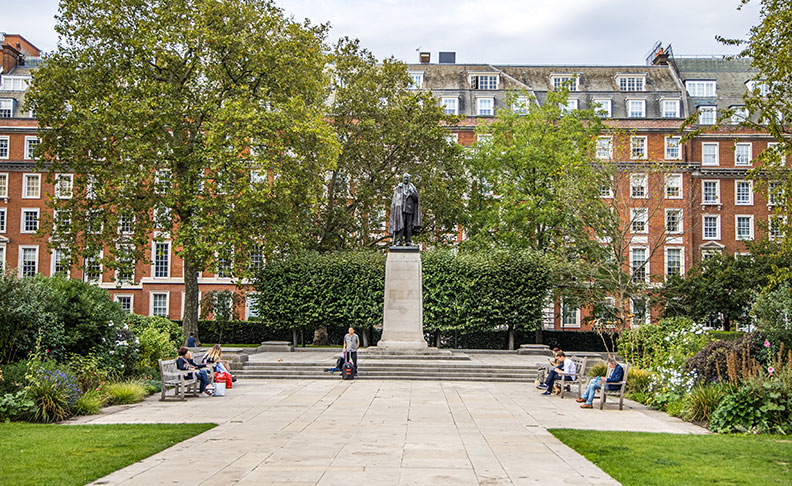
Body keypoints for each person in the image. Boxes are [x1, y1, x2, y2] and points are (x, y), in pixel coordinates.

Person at [388, 173, 422, 246]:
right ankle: (399, 240)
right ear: (402, 179)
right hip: (400, 210)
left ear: (409, 179)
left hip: (409, 209)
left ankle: (408, 241)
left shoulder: (412, 188)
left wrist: (412, 192)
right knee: (400, 225)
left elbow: (416, 199)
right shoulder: (398, 188)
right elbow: (394, 201)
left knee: (408, 226)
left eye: (407, 178)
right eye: (404, 178)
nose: (406, 179)